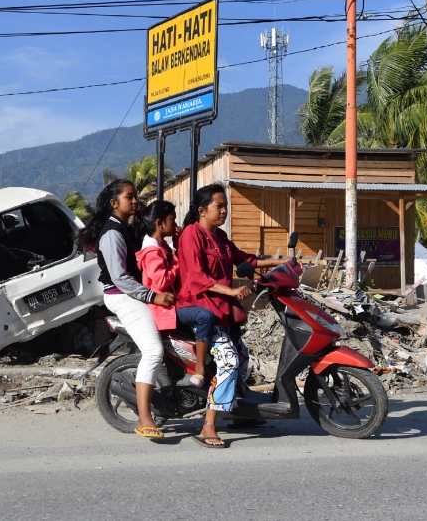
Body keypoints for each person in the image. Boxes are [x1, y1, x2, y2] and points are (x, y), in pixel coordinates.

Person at [177, 183, 285, 448]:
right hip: (199, 308)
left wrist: (279, 263)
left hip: (221, 310)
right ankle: (208, 425)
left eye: (226, 206)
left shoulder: (221, 237)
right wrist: (231, 290)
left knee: (243, 357)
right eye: (219, 206)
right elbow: (195, 276)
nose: (224, 210)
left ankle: (238, 413)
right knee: (228, 361)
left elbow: (243, 259)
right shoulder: (192, 234)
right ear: (202, 210)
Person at [78, 179, 174, 440]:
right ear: (113, 203)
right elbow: (120, 277)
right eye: (129, 197)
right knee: (153, 350)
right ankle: (144, 419)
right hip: (122, 296)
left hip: (133, 294)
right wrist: (153, 296)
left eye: (134, 197)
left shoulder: (125, 228)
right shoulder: (112, 233)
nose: (134, 201)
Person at [135, 200, 216, 387]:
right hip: (162, 309)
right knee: (205, 316)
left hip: (171, 304)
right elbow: (162, 280)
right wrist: (177, 260)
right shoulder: (152, 251)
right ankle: (200, 368)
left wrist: (177, 245)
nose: (175, 224)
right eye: (172, 220)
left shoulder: (161, 245)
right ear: (159, 223)